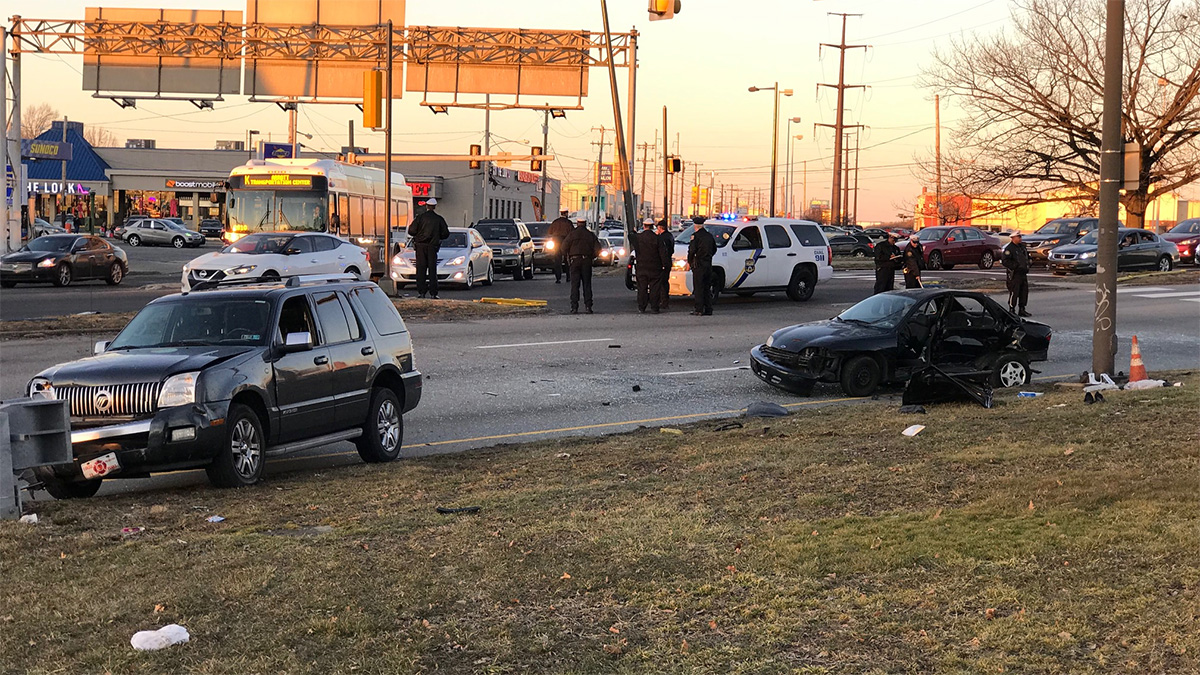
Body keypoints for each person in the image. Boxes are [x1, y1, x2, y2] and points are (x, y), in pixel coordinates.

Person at [407, 198, 450, 299]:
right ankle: (433, 293)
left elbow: (411, 231)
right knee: (432, 270)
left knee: (421, 270)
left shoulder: (420, 218)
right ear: (434, 207)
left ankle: (421, 292)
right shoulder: (439, 219)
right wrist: (437, 236)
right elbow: (445, 233)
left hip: (420, 247)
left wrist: (419, 235)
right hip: (432, 247)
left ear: (426, 206)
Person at [562, 217, 601, 314]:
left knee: (575, 285)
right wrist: (591, 257)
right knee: (587, 284)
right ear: (585, 223)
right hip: (586, 261)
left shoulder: (572, 234)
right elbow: (598, 249)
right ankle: (588, 306)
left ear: (577, 223)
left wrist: (568, 256)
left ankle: (574, 307)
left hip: (574, 261)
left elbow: (563, 248)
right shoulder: (590, 235)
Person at [687, 215, 717, 316]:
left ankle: (699, 309)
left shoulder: (695, 236)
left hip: (698, 264)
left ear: (695, 226)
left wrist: (689, 261)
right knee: (707, 287)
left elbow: (692, 250)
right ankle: (708, 309)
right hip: (708, 264)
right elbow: (714, 249)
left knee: (699, 287)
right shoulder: (709, 236)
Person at [635, 218, 666, 313]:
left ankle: (642, 307)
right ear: (653, 226)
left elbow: (631, 238)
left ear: (644, 226)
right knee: (655, 288)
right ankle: (654, 307)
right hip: (655, 267)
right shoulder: (658, 238)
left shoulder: (638, 238)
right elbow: (662, 253)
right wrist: (665, 264)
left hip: (641, 266)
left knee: (642, 288)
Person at [1002, 231, 1031, 316]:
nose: (1020, 238)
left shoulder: (1022, 247)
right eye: (1018, 237)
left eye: (1020, 237)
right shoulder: (1009, 249)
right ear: (1013, 238)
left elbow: (1027, 257)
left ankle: (1022, 309)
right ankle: (1012, 309)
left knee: (1024, 292)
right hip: (1015, 274)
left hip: (1023, 273)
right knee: (1014, 292)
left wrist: (1029, 263)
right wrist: (1015, 266)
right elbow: (1005, 261)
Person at [547, 209, 573, 284]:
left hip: (556, 241)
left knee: (557, 260)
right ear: (566, 214)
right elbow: (572, 233)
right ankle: (568, 277)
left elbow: (550, 232)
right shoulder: (568, 223)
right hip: (565, 241)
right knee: (567, 259)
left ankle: (558, 278)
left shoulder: (555, 222)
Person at [655, 220, 676, 310]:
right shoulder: (670, 236)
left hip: (662, 262)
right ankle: (665, 300)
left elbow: (662, 251)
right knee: (665, 281)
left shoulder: (662, 238)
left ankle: (663, 301)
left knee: (661, 282)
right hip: (668, 261)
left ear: (660, 228)